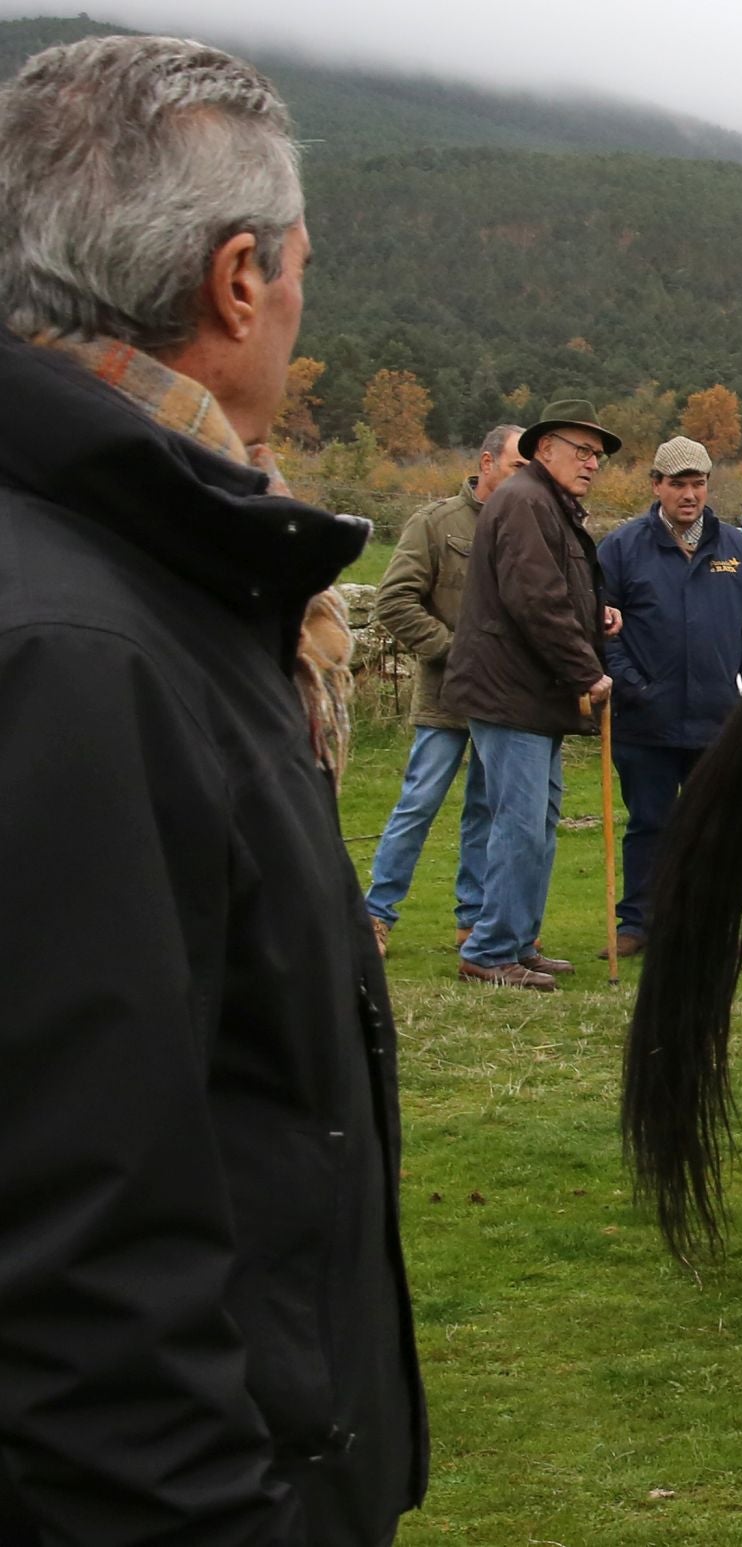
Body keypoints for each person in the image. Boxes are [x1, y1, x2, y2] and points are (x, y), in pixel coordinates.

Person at [0, 33, 426, 1544]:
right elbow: (78, 1241)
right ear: (237, 280)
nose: (302, 310)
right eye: (301, 268)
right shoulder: (78, 638)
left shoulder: (143, 567)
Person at [442, 398, 622, 990]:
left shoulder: (550, 505)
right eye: (582, 450)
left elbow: (556, 593)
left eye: (597, 455)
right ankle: (491, 952)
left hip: (531, 695)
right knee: (519, 825)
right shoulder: (525, 502)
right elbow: (534, 601)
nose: (592, 462)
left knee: (538, 824)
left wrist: (597, 619)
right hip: (510, 691)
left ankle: (515, 940)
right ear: (545, 449)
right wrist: (585, 673)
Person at [596, 435, 742, 956]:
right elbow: (597, 626)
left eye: (698, 484)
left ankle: (711, 926)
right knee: (649, 823)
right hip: (644, 721)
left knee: (714, 827)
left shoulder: (735, 548)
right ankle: (637, 924)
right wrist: (633, 685)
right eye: (678, 484)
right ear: (656, 486)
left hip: (718, 720)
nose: (689, 495)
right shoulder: (623, 547)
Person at [365, 425, 527, 956]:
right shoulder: (436, 523)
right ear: (486, 462)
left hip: (502, 702)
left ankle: (474, 922)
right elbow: (394, 602)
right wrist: (455, 651)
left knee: (486, 810)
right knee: (419, 803)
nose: (524, 481)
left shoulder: (524, 527)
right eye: (516, 468)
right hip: (445, 698)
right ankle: (374, 916)